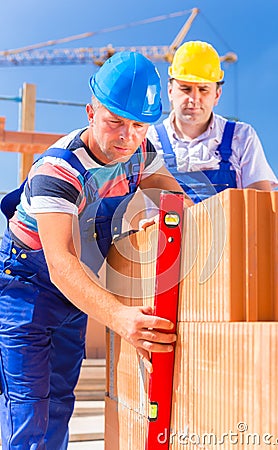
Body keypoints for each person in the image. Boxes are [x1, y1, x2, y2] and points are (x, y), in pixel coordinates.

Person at [0, 51, 192, 449]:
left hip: (74, 296)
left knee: (58, 405)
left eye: (139, 124)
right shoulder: (59, 169)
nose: (127, 136)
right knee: (29, 411)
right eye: (115, 122)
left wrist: (167, 217)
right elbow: (61, 263)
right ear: (91, 112)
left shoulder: (139, 153)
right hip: (26, 286)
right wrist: (121, 318)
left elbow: (170, 194)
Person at [147, 40, 278, 203]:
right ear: (170, 91)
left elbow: (261, 204)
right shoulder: (149, 141)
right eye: (185, 88)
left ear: (217, 95)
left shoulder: (242, 137)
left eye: (203, 90)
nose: (194, 99)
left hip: (229, 229)